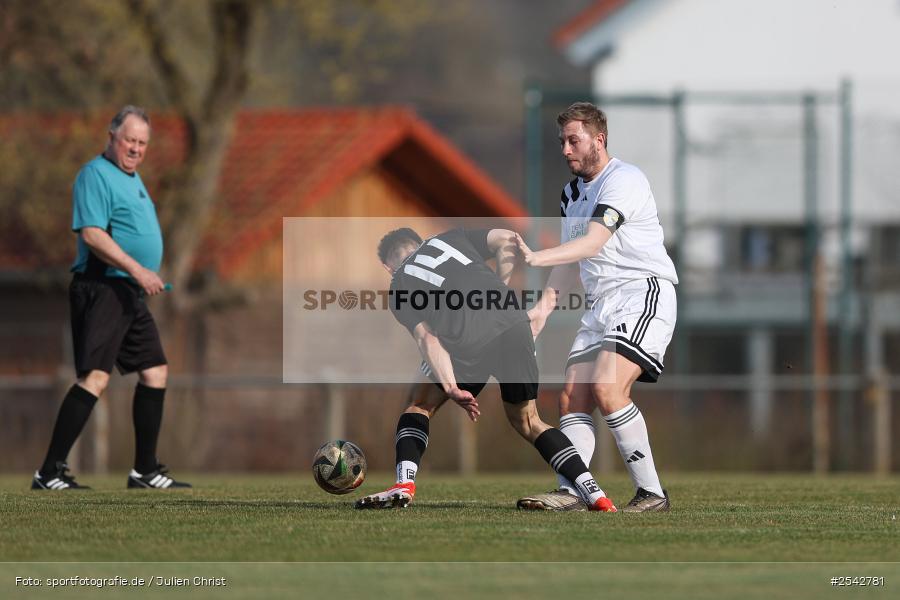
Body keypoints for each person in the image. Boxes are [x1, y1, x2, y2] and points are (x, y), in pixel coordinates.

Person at [356, 227, 617, 512]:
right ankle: (595, 493)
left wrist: (451, 387)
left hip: (469, 341)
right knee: (529, 421)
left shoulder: (400, 285)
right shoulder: (449, 238)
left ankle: (404, 483)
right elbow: (506, 238)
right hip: (515, 325)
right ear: (420, 243)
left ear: (387, 267)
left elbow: (428, 338)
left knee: (418, 406)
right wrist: (501, 285)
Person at [515, 102, 677, 512]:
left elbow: (592, 242)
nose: (566, 149)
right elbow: (573, 258)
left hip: (642, 292)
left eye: (575, 140)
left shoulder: (624, 180)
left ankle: (652, 493)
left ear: (598, 140)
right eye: (562, 142)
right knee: (572, 397)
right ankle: (570, 491)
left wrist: (535, 258)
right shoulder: (572, 193)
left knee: (607, 387)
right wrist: (543, 308)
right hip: (602, 303)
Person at [31, 106, 189, 491]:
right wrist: (138, 269)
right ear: (111, 136)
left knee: (155, 372)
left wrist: (142, 273)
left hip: (127, 292)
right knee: (95, 379)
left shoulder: (133, 178)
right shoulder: (94, 175)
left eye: (142, 143)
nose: (135, 148)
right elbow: (92, 234)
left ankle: (145, 471)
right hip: (101, 287)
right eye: (129, 140)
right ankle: (49, 472)